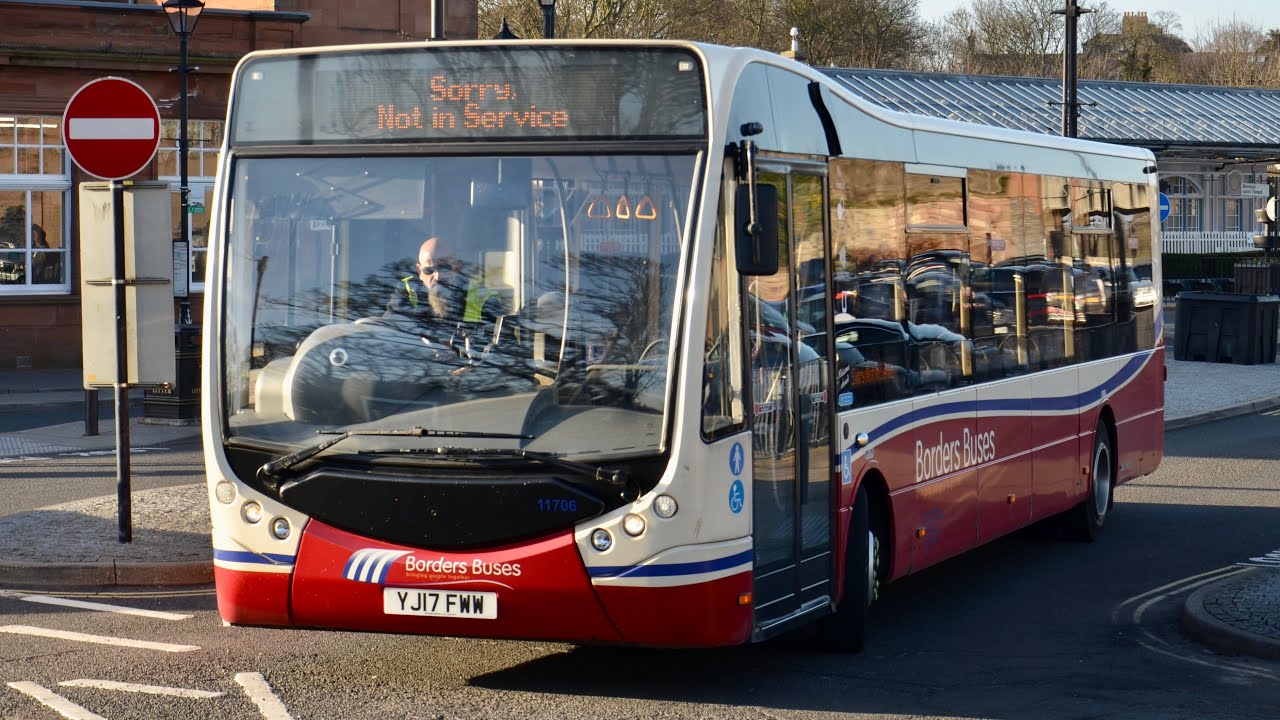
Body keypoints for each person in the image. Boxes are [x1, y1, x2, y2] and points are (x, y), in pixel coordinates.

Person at [385, 236, 503, 349]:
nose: (438, 276)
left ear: (456, 267)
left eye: (445, 267)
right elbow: (388, 330)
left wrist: (471, 365)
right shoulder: (407, 291)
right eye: (429, 270)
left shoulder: (481, 297)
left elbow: (497, 350)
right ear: (419, 271)